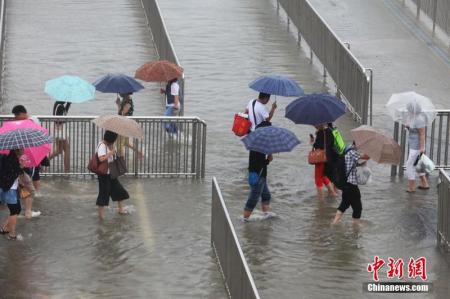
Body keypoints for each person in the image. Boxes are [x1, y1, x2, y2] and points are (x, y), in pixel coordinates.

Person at [12, 105, 42, 217]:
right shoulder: (31, 121)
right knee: (27, 185)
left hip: (28, 157)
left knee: (26, 182)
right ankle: (28, 211)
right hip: (25, 159)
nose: (15, 118)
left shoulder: (30, 122)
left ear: (22, 113)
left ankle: (25, 209)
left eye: (16, 115)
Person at [332, 143, 370, 226]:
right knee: (358, 207)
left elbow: (353, 165)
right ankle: (355, 227)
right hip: (351, 184)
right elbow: (366, 157)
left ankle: (334, 223)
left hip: (346, 184)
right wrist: (369, 150)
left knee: (344, 203)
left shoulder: (347, 150)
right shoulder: (353, 152)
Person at [96, 130, 130, 220]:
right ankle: (101, 217)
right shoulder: (102, 145)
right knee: (103, 194)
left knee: (119, 190)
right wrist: (110, 153)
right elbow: (101, 159)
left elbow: (112, 157)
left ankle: (121, 209)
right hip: (103, 174)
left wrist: (117, 153)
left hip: (111, 172)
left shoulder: (110, 145)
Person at [405, 103, 429, 192]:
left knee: (409, 165)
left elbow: (422, 134)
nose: (408, 110)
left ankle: (412, 187)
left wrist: (422, 148)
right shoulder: (412, 117)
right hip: (413, 144)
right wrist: (408, 127)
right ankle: (425, 183)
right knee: (418, 164)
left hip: (416, 146)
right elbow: (413, 129)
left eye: (409, 109)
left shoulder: (419, 119)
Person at [0, 150, 23, 240]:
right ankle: (12, 234)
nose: (23, 150)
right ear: (18, 150)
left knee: (17, 209)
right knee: (14, 210)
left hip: (8, 188)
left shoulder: (5, 157)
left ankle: (5, 228)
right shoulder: (12, 160)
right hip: (9, 189)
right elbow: (12, 174)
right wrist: (20, 167)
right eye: (22, 149)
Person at [310, 124, 338, 200]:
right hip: (329, 158)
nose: (314, 125)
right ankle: (333, 193)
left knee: (318, 179)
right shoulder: (330, 131)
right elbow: (331, 144)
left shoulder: (320, 133)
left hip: (320, 158)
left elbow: (319, 146)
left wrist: (312, 143)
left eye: (316, 124)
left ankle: (321, 200)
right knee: (323, 175)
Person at [48, 101, 71, 173]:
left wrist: (68, 105)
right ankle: (67, 172)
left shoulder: (58, 104)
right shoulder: (60, 106)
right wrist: (65, 120)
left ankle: (43, 161)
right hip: (60, 131)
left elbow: (62, 115)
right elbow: (59, 120)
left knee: (59, 150)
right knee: (67, 149)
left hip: (57, 131)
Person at [18, 155, 36, 219]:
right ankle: (28, 212)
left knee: (26, 192)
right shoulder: (20, 152)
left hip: (22, 174)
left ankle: (27, 211)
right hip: (22, 174)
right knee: (31, 192)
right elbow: (21, 164)